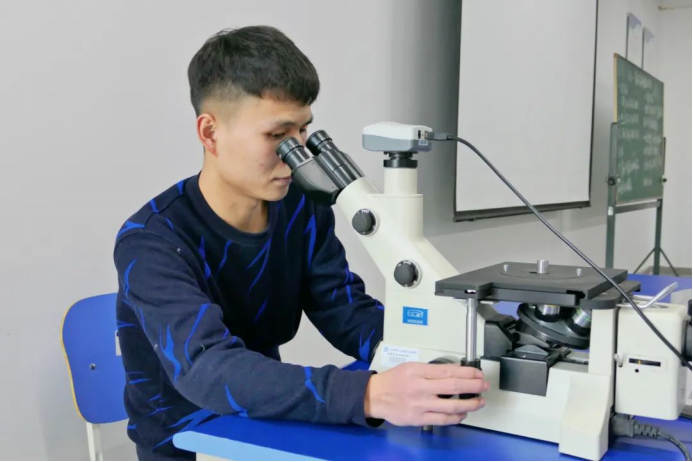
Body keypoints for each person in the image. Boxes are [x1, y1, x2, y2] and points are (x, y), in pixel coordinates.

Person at [114, 25, 488, 461]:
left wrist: (432, 349)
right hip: (185, 441)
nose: (297, 155)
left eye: (304, 131)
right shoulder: (151, 240)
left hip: (263, 421)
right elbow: (207, 368)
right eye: (277, 136)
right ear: (210, 132)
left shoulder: (300, 207)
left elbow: (343, 309)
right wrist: (370, 394)